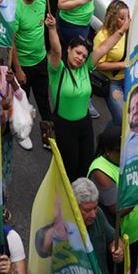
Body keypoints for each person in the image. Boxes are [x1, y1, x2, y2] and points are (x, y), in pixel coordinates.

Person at [47, 18, 96, 180]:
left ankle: (80, 200)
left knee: (86, 165)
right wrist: (52, 29)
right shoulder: (58, 69)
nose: (80, 58)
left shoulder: (85, 68)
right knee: (70, 168)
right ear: (69, 49)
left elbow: (103, 48)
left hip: (85, 124)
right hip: (65, 127)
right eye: (77, 53)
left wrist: (121, 31)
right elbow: (55, 50)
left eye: (84, 56)